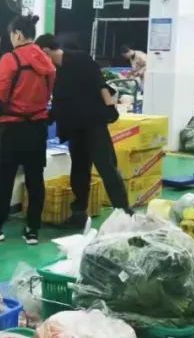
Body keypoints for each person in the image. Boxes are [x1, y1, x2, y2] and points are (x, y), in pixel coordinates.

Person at [0, 14, 57, 245]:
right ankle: (32, 230)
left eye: (11, 35)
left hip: (11, 128)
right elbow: (48, 93)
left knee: (4, 180)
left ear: (17, 34)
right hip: (37, 127)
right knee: (35, 179)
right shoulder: (47, 61)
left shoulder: (10, 59)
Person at [39, 34, 129, 225]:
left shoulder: (80, 59)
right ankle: (78, 214)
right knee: (79, 170)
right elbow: (61, 100)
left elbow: (99, 83)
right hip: (74, 126)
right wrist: (49, 117)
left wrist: (110, 107)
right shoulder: (55, 71)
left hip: (93, 123)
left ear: (46, 51)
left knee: (106, 167)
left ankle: (124, 213)